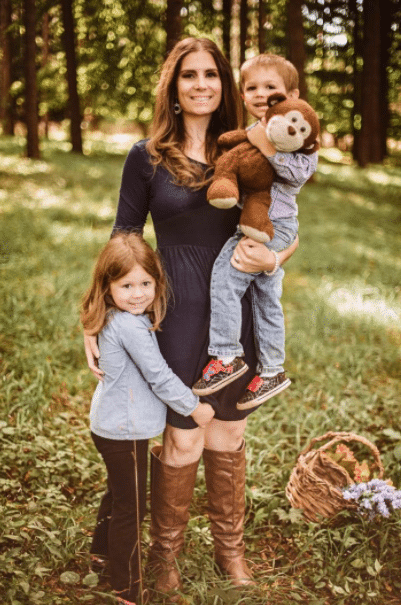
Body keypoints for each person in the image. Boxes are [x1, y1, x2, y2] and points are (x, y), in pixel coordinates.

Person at [84, 38, 298, 600]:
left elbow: (287, 227)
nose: (201, 84)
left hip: (240, 308)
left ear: (225, 86)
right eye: (189, 75)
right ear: (173, 88)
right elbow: (124, 237)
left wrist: (274, 257)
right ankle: (164, 560)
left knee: (229, 432)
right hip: (177, 309)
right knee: (185, 434)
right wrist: (96, 317)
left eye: (211, 74)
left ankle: (231, 550)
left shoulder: (259, 149)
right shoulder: (147, 155)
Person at [81, 231, 215, 605]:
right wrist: (194, 407)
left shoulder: (118, 316)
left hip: (115, 425)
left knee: (119, 492)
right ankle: (127, 586)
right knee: (132, 506)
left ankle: (102, 553)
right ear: (108, 288)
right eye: (127, 285)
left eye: (146, 283)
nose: (138, 293)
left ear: (157, 282)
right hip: (124, 429)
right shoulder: (127, 326)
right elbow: (158, 376)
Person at [192, 54, 318, 409]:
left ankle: (227, 356)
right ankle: (272, 369)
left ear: (291, 93)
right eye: (252, 88)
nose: (261, 94)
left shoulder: (301, 132)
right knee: (266, 299)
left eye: (271, 88)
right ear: (243, 96)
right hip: (260, 219)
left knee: (226, 276)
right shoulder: (248, 133)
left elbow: (298, 174)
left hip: (272, 224)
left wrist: (264, 143)